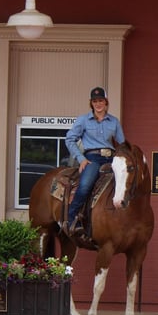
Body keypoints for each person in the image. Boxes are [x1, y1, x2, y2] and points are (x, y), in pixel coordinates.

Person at [64, 86, 125, 234]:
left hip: (110, 159)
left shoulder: (114, 121)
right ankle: (71, 218)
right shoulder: (83, 120)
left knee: (124, 184)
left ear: (106, 102)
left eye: (101, 101)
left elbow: (122, 144)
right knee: (85, 185)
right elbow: (70, 139)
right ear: (91, 103)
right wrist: (81, 159)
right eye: (95, 101)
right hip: (92, 158)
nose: (98, 104)